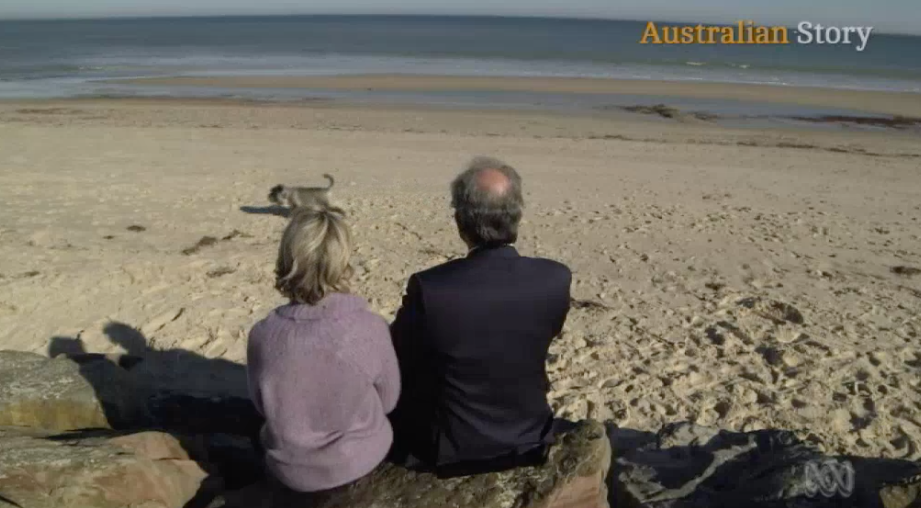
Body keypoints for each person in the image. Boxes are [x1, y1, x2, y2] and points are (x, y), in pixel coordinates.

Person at [389, 156, 572, 478]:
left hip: (449, 448)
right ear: (516, 216)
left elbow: (398, 354)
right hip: (528, 434)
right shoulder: (555, 278)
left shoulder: (432, 287)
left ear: (461, 222)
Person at [246, 205, 400, 495]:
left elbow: (261, 405)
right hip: (357, 461)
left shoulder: (262, 334)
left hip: (290, 470)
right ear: (343, 262)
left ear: (287, 259)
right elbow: (389, 401)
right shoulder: (369, 327)